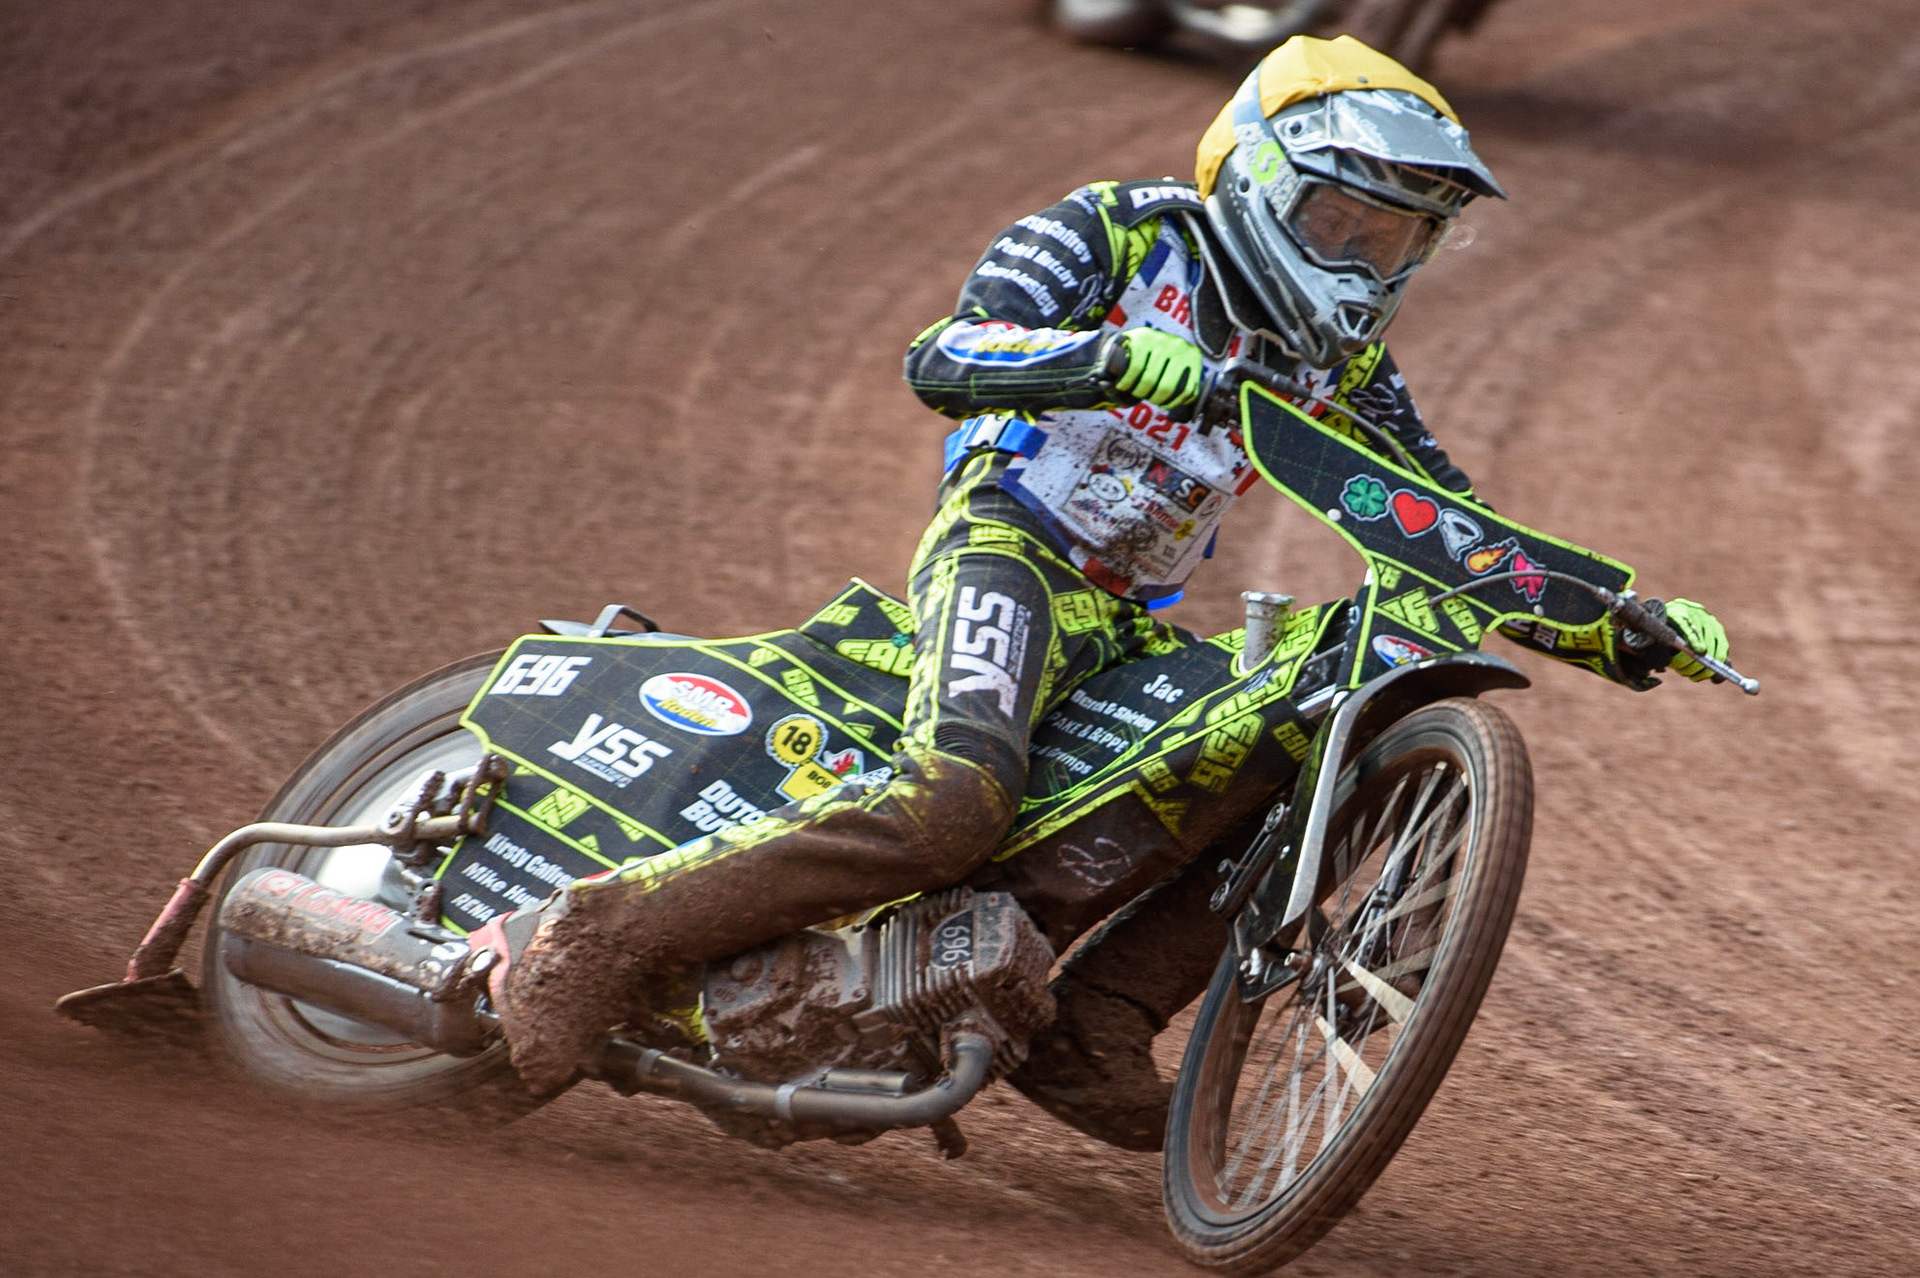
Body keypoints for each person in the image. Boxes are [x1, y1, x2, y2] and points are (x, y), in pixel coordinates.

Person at [473, 36, 1731, 1141]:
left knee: (1300, 742)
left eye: (1395, 237)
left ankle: (1092, 1027)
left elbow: (1447, 524)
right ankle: (601, 937)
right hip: (1007, 545)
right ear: (1257, 178)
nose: (1363, 260)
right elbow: (947, 353)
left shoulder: (1347, 369)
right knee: (952, 805)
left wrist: (1616, 613)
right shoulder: (1121, 232)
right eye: (1342, 221)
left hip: (1133, 618)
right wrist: (1109, 357)